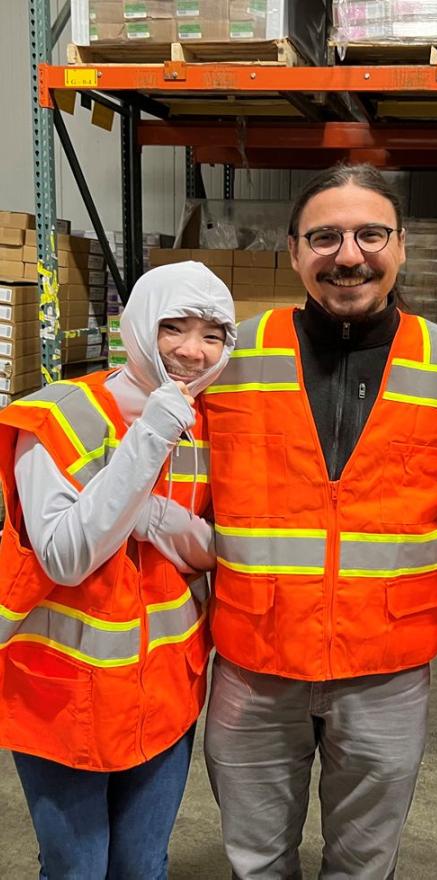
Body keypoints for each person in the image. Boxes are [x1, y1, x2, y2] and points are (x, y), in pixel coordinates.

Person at [203, 163, 437, 879]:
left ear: (403, 246)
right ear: (294, 250)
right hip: (255, 655)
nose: (349, 255)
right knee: (256, 856)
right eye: (324, 236)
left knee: (365, 862)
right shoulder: (230, 358)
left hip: (386, 664)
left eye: (370, 234)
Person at [0, 261, 235, 879]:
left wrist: (147, 514)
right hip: (63, 696)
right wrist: (150, 436)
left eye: (212, 333)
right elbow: (67, 556)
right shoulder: (59, 415)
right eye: (174, 327)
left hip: (166, 692)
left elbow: (216, 549)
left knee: (141, 865)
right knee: (76, 869)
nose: (192, 349)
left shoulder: (208, 427)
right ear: (137, 325)